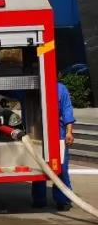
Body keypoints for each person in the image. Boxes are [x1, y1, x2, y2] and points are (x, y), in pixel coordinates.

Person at [32, 81, 75, 212]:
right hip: (40, 133)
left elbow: (67, 110)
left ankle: (60, 200)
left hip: (54, 134)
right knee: (41, 167)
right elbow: (67, 110)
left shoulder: (60, 89)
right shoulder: (36, 86)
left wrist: (69, 132)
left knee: (59, 168)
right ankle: (44, 200)